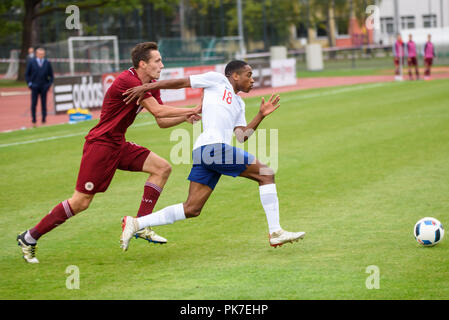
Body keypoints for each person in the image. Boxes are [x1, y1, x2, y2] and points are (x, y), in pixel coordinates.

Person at [16, 42, 202, 263]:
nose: (162, 65)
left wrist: (185, 117)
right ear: (143, 64)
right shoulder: (128, 80)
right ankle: (29, 237)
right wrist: (193, 108)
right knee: (81, 202)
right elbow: (159, 110)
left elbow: (161, 121)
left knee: (162, 168)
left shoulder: (151, 84)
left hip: (117, 143)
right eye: (157, 61)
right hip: (101, 145)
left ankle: (141, 223)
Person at [119, 60, 305, 251]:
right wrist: (149, 86)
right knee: (266, 173)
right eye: (249, 75)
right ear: (235, 76)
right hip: (212, 148)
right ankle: (275, 232)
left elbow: (241, 136)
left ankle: (136, 223)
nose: (253, 80)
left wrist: (261, 115)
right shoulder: (217, 80)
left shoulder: (239, 104)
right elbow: (182, 82)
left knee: (192, 208)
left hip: (205, 152)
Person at [25, 48, 54, 126]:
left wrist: (48, 84)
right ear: (36, 54)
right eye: (39, 54)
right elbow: (27, 74)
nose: (41, 55)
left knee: (44, 103)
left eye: (42, 54)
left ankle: (44, 119)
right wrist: (30, 84)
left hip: (44, 86)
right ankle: (34, 120)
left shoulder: (47, 63)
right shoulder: (31, 62)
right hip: (34, 86)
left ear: (44, 54)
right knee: (34, 104)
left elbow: (51, 75)